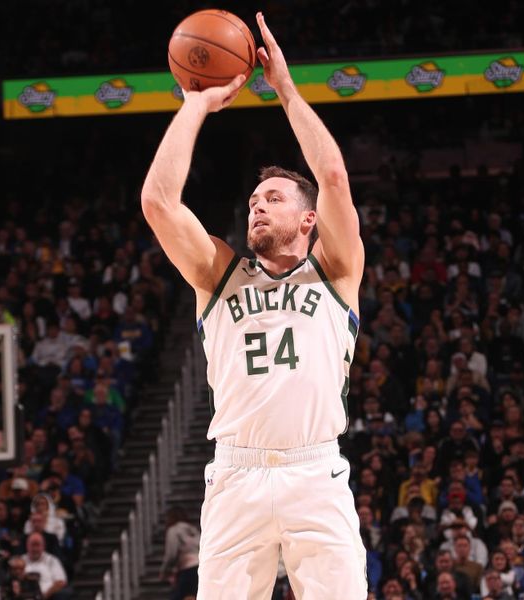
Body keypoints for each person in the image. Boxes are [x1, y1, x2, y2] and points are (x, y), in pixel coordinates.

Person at [141, 12, 365, 599]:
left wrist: (286, 93)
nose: (257, 207)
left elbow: (334, 175)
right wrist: (197, 102)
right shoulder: (219, 276)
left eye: (273, 198)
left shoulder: (336, 272)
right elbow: (159, 202)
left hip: (315, 472)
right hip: (236, 475)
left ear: (308, 218)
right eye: (252, 200)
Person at [159, 507, 200, 600]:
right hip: (200, 565)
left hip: (187, 567)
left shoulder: (173, 530)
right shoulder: (193, 529)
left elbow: (171, 554)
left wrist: (164, 570)